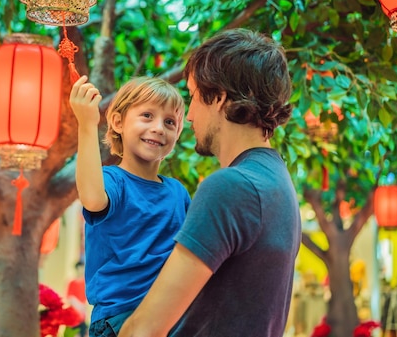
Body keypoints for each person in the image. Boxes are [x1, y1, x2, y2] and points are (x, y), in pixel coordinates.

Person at [118, 28, 301, 337]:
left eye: (192, 97)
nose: (188, 116)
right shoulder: (276, 179)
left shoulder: (232, 186)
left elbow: (144, 330)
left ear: (219, 97)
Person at [69, 75, 191, 337]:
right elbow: (92, 198)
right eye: (147, 115)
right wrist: (87, 125)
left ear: (177, 134)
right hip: (119, 320)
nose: (159, 127)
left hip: (169, 320)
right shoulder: (114, 181)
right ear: (118, 122)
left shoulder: (179, 193)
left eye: (170, 122)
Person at [67, 261, 89, 337]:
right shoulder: (72, 283)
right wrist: (79, 306)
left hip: (83, 315)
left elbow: (87, 298)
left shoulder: (86, 283)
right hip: (73, 315)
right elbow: (70, 298)